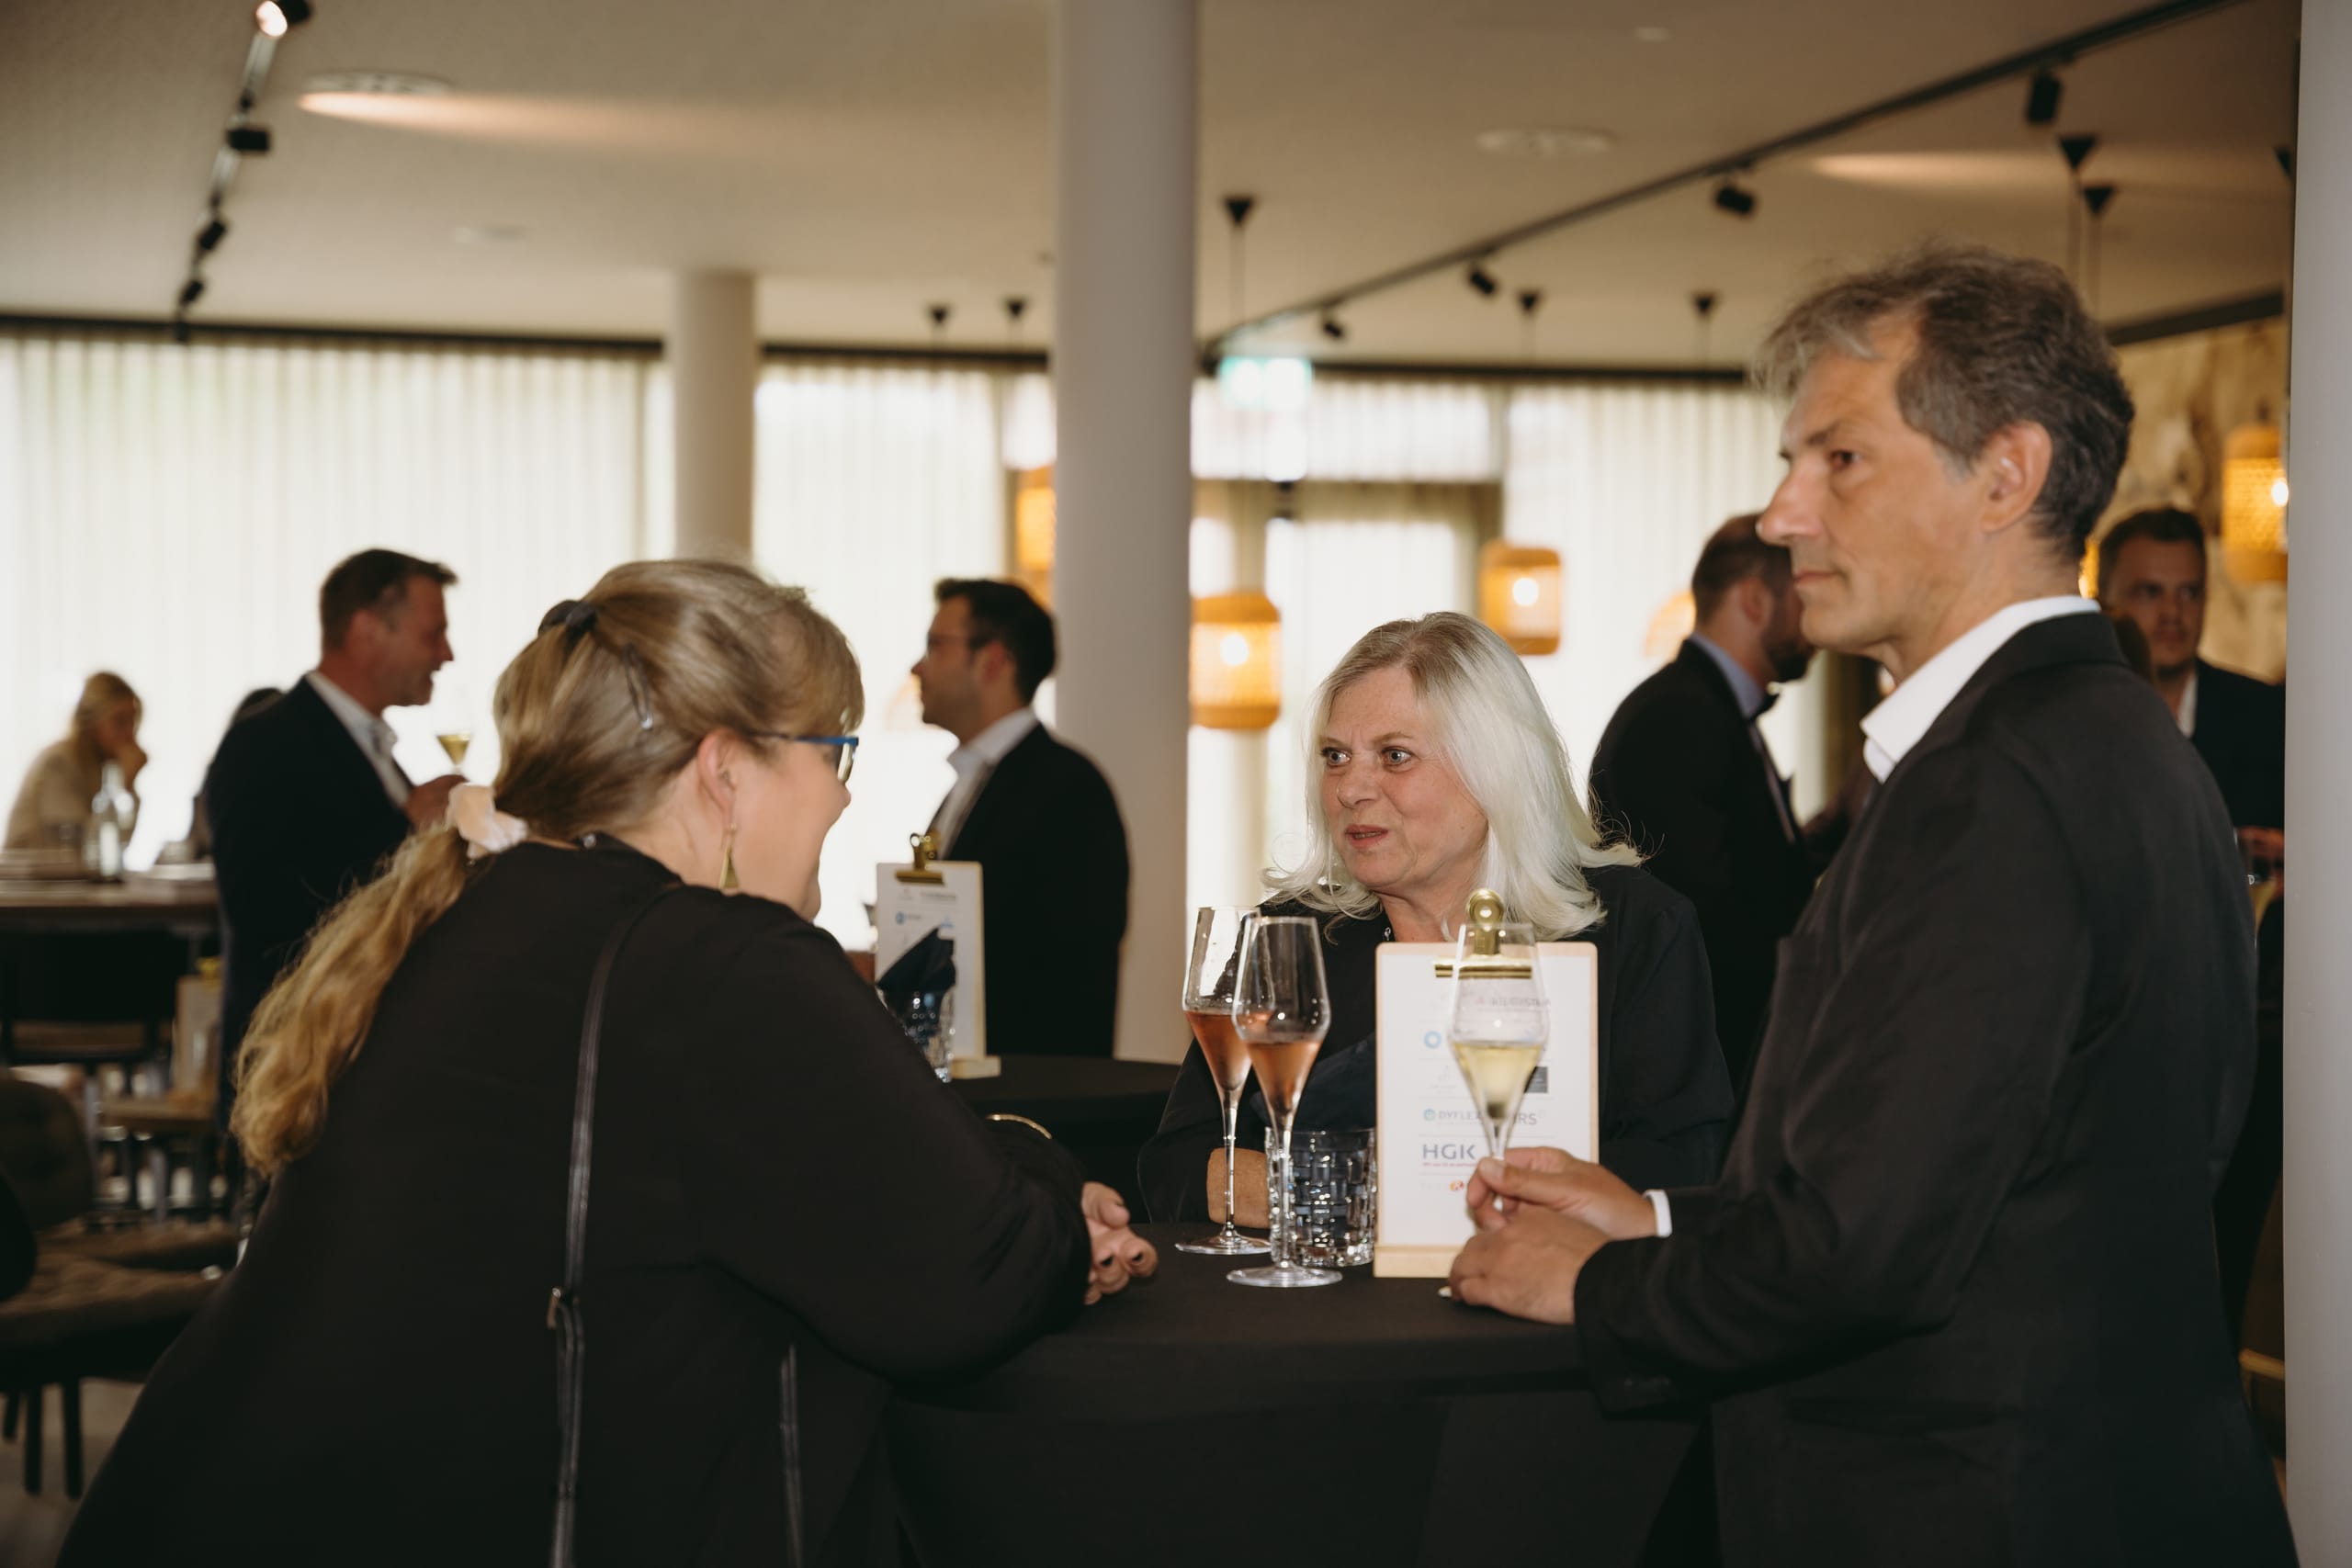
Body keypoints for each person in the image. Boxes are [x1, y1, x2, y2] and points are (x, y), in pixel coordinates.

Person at [1448, 243, 2294, 1565]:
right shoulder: (2121, 735)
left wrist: (1600, 1281)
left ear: (2003, 474)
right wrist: (1659, 1213)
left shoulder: (1993, 782)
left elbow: (1861, 1249)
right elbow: (1999, 1179)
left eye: (1837, 458)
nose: (1784, 515)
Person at [62, 560, 1156, 1567]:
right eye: (837, 753)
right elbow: (970, 1276)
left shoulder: (466, 911)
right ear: (725, 772)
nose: (844, 795)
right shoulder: (721, 961)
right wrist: (1058, 1192)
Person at [1138, 612, 1733, 1228]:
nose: (1349, 788)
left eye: (1395, 756)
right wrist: (1370, 1196)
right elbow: (1177, 1166)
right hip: (1323, 1309)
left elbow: (1685, 1162)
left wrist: (1411, 1195)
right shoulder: (1286, 939)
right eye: (1335, 756)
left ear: (1493, 770)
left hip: (1548, 1305)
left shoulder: (1635, 926)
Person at [205, 551, 465, 1122]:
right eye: (434, 633)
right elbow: (267, 911)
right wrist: (408, 828)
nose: (447, 654)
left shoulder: (372, 748)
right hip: (298, 1070)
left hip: (362, 1064)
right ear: (367, 631)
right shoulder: (263, 745)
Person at [1587, 514, 1823, 1098]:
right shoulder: (1677, 719)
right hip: (1709, 1066)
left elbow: (1757, 874)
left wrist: (1842, 817)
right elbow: (1707, 915)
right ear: (1754, 600)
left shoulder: (1708, 708)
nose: (1815, 620)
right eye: (1803, 596)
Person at [912, 578, 1130, 1057]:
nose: (917, 666)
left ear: (992, 660)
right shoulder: (970, 781)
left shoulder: (1069, 789)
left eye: (935, 646)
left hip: (1028, 1095)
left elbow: (1066, 965)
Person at [2098, 505, 2286, 850]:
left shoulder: (2271, 718)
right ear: (2103, 600)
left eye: (2189, 592)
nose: (2172, 612)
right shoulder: (2073, 723)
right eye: (2149, 592)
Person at [5, 671, 145, 851]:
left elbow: (115, 850)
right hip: (31, 877)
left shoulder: (101, 769)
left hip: (67, 877)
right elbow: (82, 847)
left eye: (132, 721)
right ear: (92, 722)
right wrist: (124, 786)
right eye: (119, 721)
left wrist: (127, 789)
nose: (129, 733)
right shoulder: (58, 763)